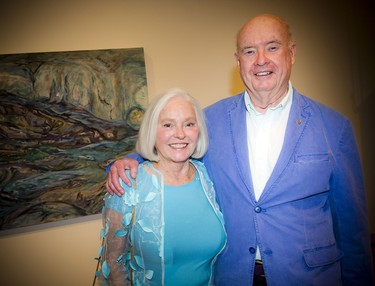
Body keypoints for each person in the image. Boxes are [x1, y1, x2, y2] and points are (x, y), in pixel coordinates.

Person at [105, 14, 374, 285]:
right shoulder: (211, 120)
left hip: (308, 277)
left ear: (291, 53)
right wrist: (126, 160)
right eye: (249, 51)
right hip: (233, 276)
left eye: (272, 47)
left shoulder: (334, 127)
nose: (260, 60)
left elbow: (352, 231)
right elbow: (169, 142)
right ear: (238, 61)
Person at [97, 88, 227, 285]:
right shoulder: (128, 185)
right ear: (152, 131)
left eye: (189, 124)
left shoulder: (207, 177)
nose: (180, 134)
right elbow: (113, 265)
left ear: (198, 130)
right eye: (168, 125)